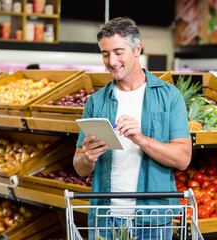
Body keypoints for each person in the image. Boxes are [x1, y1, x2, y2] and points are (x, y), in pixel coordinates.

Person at [73, 17, 192, 240]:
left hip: (154, 217)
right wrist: (87, 158)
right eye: (105, 54)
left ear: (137, 49)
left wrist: (141, 139)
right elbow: (80, 167)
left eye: (119, 52)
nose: (111, 61)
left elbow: (183, 158)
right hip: (105, 217)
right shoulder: (96, 102)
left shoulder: (169, 96)